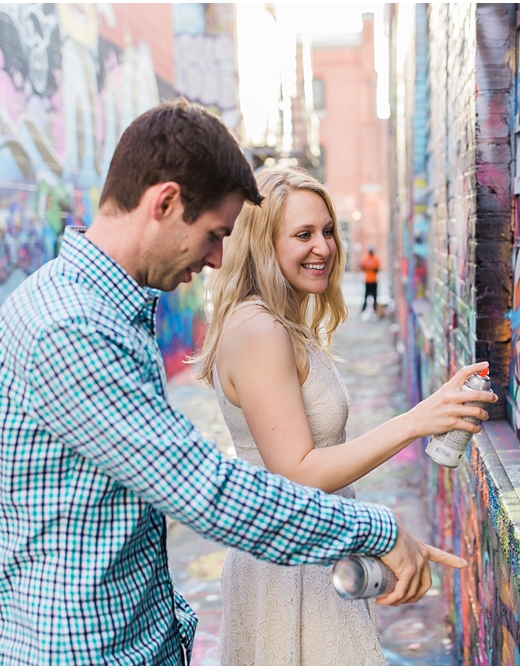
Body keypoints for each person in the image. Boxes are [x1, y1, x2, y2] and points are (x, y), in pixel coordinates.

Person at [0, 101, 467, 666]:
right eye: (213, 234)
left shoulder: (99, 311)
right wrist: (375, 530)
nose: (216, 259)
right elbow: (203, 489)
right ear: (164, 203)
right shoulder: (72, 327)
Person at [191, 167, 497, 665]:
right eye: (303, 235)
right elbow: (298, 472)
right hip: (288, 571)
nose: (324, 248)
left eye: (328, 231)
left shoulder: (278, 323)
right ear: (262, 244)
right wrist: (417, 421)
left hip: (311, 552)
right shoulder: (259, 330)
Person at [360, 245, 381, 316]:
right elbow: (362, 267)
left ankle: (375, 311)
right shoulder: (366, 259)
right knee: (366, 297)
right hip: (368, 281)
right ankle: (363, 310)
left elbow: (377, 269)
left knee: (375, 297)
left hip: (374, 281)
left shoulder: (375, 259)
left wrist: (370, 268)